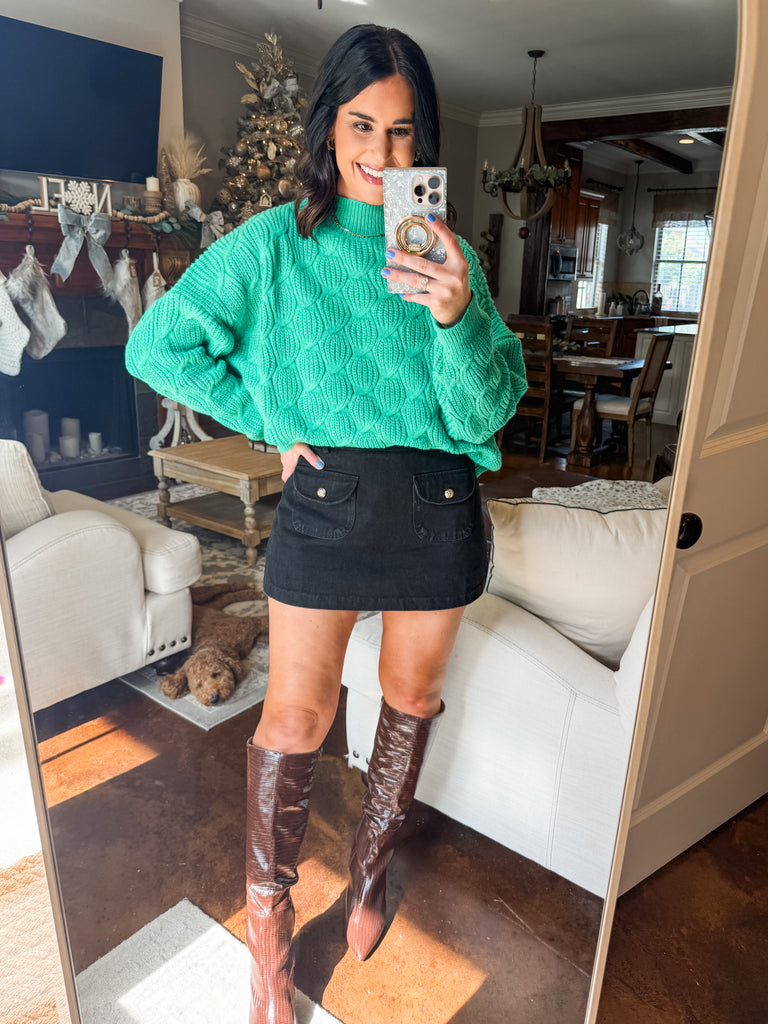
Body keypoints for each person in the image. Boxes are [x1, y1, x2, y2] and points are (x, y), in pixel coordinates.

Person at [125, 23, 527, 1024]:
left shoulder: (448, 255)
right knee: (294, 722)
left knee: (409, 701)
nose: (381, 153)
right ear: (329, 127)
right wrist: (267, 418)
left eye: (403, 131)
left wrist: (457, 316)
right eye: (361, 126)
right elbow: (157, 343)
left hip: (436, 504)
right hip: (325, 505)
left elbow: (485, 414)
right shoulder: (274, 243)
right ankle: (269, 939)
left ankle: (372, 862)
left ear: (423, 140)